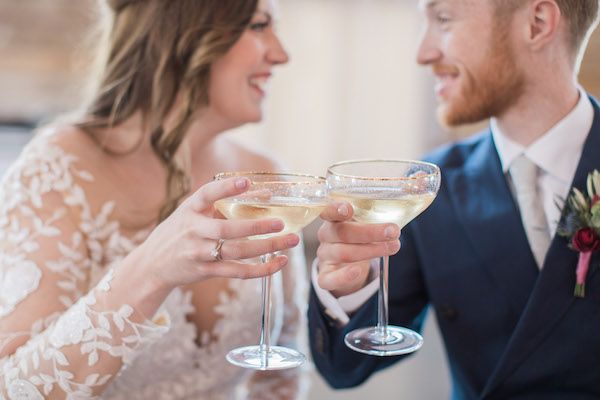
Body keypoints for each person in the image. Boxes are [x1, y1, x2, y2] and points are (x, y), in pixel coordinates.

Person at [0, 0, 308, 399]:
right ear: (183, 32)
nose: (281, 54)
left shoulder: (266, 177)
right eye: (259, 25)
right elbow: (12, 389)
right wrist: (149, 271)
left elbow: (279, 378)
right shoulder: (58, 168)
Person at [309, 0, 600, 398]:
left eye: (443, 19)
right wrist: (347, 284)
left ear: (536, 24)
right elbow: (343, 368)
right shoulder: (428, 188)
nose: (422, 52)